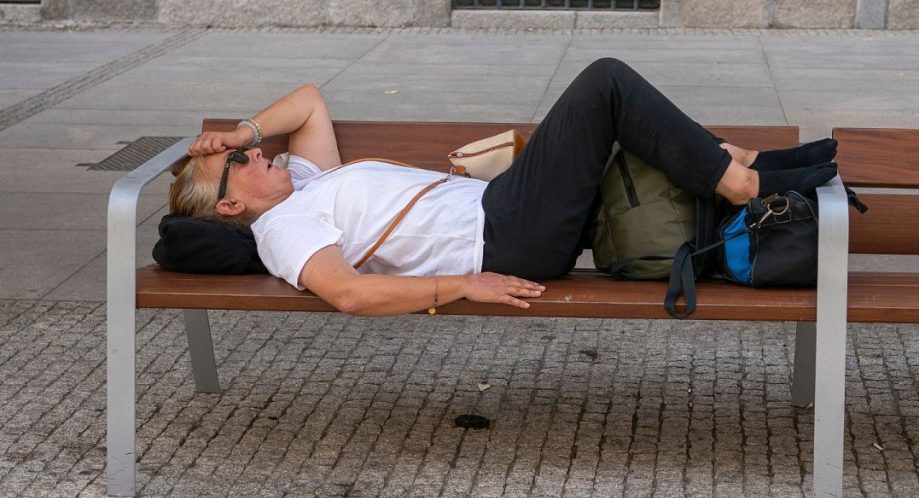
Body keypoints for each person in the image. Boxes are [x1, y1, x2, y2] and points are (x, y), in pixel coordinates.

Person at [171, 58, 837, 317]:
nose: (257, 150)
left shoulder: (304, 182)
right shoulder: (283, 229)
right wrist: (460, 285)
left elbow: (311, 101)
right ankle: (748, 182)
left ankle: (753, 174)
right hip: (507, 234)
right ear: (232, 203)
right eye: (243, 160)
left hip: (508, 206)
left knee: (615, 118)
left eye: (250, 147)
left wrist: (234, 134)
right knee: (603, 84)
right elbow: (348, 292)